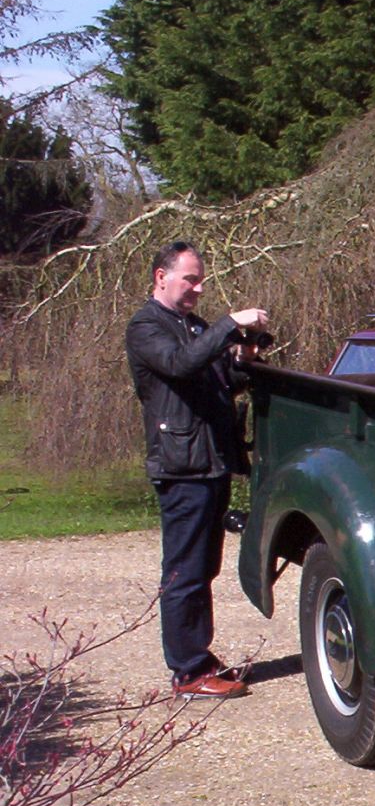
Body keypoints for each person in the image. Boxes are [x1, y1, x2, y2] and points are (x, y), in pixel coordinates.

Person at [125, 241, 269, 699]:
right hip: (181, 465)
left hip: (210, 462)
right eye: (190, 279)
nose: (198, 288)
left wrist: (243, 359)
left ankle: (198, 656)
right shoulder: (146, 326)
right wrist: (230, 324)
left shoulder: (192, 325)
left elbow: (222, 380)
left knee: (203, 566)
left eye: (200, 279)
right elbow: (180, 364)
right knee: (184, 570)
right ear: (160, 277)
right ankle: (188, 670)